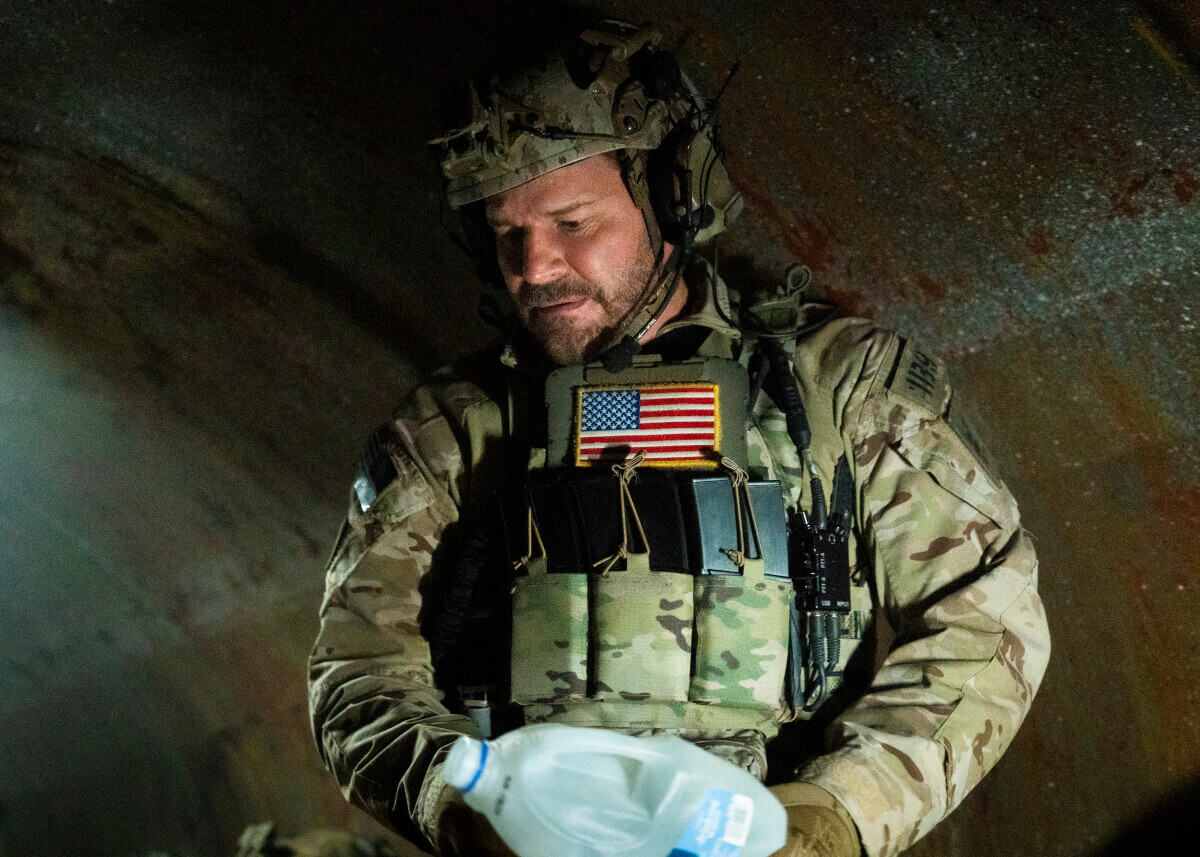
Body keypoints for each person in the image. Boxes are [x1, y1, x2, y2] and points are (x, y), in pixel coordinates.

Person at [308, 18, 1050, 857]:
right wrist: (457, 801)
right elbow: (356, 670)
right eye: (508, 234)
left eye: (572, 222)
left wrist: (833, 815)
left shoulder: (836, 392)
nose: (535, 266)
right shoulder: (453, 430)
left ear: (671, 198)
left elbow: (989, 621)